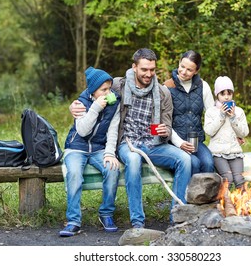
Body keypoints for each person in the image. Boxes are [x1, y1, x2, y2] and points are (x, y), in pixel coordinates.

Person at [70, 48, 192, 228]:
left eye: (152, 69)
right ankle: (138, 222)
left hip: (153, 143)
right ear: (134, 67)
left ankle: (177, 217)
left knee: (185, 159)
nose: (148, 74)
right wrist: (74, 105)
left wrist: (164, 130)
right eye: (144, 69)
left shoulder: (162, 92)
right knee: (133, 160)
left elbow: (166, 123)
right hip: (127, 144)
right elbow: (93, 90)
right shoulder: (119, 84)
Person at [60, 66, 121, 237]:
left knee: (112, 169)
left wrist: (109, 153)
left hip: (98, 148)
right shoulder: (81, 103)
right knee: (74, 174)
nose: (108, 92)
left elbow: (113, 130)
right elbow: (83, 131)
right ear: (93, 91)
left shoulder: (114, 103)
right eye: (104, 89)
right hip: (76, 148)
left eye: (109, 88)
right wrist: (95, 108)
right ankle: (73, 221)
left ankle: (106, 213)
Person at [163, 50, 215, 175]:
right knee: (194, 163)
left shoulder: (203, 86)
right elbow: (164, 121)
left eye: (189, 70)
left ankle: (206, 194)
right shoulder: (167, 87)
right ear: (179, 62)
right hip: (175, 142)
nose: (183, 72)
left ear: (196, 71)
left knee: (208, 163)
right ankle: (190, 194)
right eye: (182, 66)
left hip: (196, 141)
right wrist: (179, 143)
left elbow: (213, 115)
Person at [203, 76, 249, 189]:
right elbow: (209, 131)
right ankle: (224, 204)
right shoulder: (211, 112)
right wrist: (221, 115)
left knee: (239, 179)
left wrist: (233, 118)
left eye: (229, 93)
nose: (226, 97)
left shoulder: (239, 111)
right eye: (222, 94)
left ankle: (243, 205)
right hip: (218, 152)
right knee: (228, 178)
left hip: (235, 151)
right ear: (217, 95)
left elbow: (244, 133)